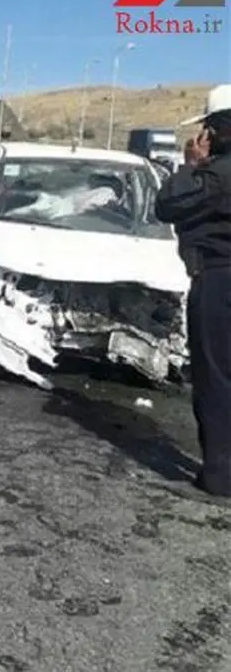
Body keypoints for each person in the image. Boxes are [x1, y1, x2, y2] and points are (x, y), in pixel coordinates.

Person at [154, 83, 231, 507]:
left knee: (216, 377)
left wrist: (190, 166)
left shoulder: (216, 176)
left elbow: (168, 205)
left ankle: (220, 476)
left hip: (220, 283)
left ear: (217, 129)